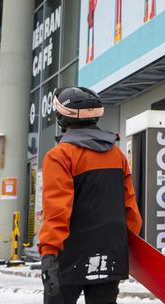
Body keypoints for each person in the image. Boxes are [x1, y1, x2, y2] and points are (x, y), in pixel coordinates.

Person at [38, 87, 142, 304]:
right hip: (110, 253)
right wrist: (125, 247)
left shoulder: (60, 155)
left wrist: (48, 253)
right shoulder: (117, 154)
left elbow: (57, 211)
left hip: (69, 254)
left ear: (61, 117)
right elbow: (130, 209)